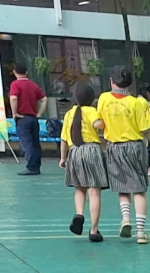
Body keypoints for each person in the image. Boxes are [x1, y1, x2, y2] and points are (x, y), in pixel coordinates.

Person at [96, 68, 150, 244]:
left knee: (123, 188)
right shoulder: (136, 103)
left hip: (114, 147)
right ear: (130, 85)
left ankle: (125, 219)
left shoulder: (104, 99)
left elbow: (100, 123)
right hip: (135, 147)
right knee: (139, 189)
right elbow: (146, 130)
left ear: (111, 82)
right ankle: (141, 232)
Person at [60, 80, 107, 243]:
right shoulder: (91, 111)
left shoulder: (69, 114)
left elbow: (63, 139)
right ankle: (94, 230)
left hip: (74, 152)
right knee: (94, 192)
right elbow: (99, 125)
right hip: (91, 150)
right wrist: (104, 117)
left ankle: (79, 214)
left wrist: (63, 158)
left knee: (79, 188)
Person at [8, 61, 47, 176]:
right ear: (26, 72)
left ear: (14, 72)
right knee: (35, 143)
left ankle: (31, 167)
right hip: (33, 118)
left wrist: (14, 113)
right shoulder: (33, 85)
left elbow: (13, 98)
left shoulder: (15, 84)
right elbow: (44, 99)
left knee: (27, 143)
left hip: (22, 118)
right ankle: (36, 166)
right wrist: (39, 113)